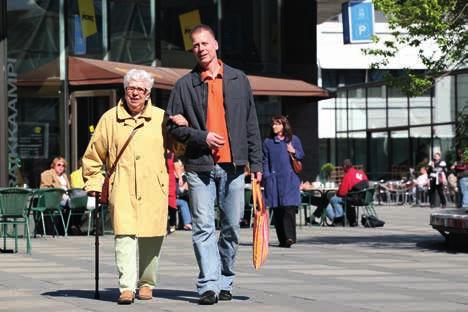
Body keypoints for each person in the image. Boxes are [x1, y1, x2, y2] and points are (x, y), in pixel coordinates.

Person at [166, 24, 263, 305]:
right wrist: (201, 136)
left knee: (232, 226)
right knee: (203, 227)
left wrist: (255, 162)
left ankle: (225, 278)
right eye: (195, 45)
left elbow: (251, 124)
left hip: (234, 166)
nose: (200, 49)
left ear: (216, 44)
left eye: (204, 43)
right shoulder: (185, 84)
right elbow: (171, 126)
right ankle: (208, 285)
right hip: (199, 167)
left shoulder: (238, 79)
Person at [82, 69, 168, 305]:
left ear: (148, 94)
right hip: (122, 186)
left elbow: (178, 148)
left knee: (152, 237)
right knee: (124, 237)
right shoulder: (110, 119)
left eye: (140, 89)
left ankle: (147, 283)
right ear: (125, 90)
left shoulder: (161, 118)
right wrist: (93, 183)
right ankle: (126, 287)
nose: (135, 93)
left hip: (153, 186)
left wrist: (182, 128)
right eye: (131, 88)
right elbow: (93, 156)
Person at [262, 116, 304, 248]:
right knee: (278, 210)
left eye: (277, 124)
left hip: (290, 180)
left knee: (289, 208)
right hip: (274, 180)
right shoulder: (268, 142)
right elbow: (265, 160)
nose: (274, 126)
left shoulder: (293, 139)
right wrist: (267, 176)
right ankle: (282, 239)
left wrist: (293, 151)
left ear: (283, 125)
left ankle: (290, 237)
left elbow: (301, 155)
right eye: (273, 124)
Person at [325, 159, 369, 226]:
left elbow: (342, 193)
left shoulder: (348, 175)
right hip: (364, 198)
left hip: (355, 199)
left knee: (334, 199)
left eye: (342, 167)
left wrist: (336, 194)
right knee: (346, 199)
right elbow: (367, 184)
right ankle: (348, 220)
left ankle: (339, 220)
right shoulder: (361, 172)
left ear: (345, 166)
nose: (342, 169)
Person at [174, 158, 192, 230]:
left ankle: (186, 223)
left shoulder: (184, 176)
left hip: (181, 197)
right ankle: (187, 223)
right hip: (172, 199)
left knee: (189, 201)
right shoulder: (173, 176)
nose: (181, 168)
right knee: (183, 202)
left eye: (181, 166)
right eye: (179, 166)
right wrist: (182, 189)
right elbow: (175, 192)